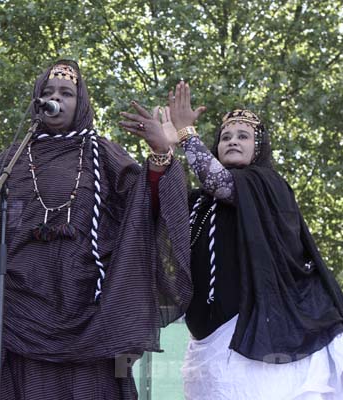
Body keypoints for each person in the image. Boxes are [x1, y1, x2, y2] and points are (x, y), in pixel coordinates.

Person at [0, 60, 193, 399]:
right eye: (47, 92)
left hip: (85, 318)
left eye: (66, 93)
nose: (55, 98)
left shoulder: (104, 155)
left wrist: (160, 154)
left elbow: (146, 212)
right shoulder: (14, 158)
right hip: (15, 314)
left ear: (81, 103)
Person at [122, 81, 343, 399]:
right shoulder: (201, 200)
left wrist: (186, 133)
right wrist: (162, 152)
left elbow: (220, 182)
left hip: (259, 342)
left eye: (243, 136)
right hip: (206, 344)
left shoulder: (268, 185)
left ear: (259, 147)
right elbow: (161, 210)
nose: (232, 141)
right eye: (225, 137)